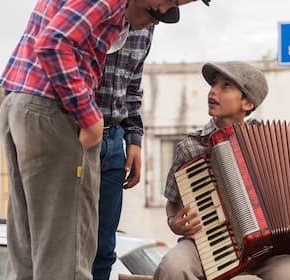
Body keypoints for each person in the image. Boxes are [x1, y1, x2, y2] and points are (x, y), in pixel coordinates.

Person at [0, 1, 207, 279]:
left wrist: (131, 135)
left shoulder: (127, 19)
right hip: (54, 112)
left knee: (27, 253)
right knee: (66, 256)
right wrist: (89, 116)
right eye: (170, 2)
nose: (163, 11)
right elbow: (53, 43)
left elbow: (129, 82)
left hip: (25, 103)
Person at [153, 61, 290, 280]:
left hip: (269, 250)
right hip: (207, 244)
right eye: (214, 84)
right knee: (173, 266)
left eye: (226, 86)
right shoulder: (191, 146)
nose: (213, 91)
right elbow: (172, 200)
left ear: (247, 103)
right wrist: (174, 222)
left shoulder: (273, 142)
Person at [91, 1, 212, 277]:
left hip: (115, 138)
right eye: (154, 14)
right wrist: (88, 123)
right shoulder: (98, 14)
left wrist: (134, 140)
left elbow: (133, 86)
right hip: (80, 135)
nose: (156, 22)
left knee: (104, 248)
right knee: (71, 241)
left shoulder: (145, 29)